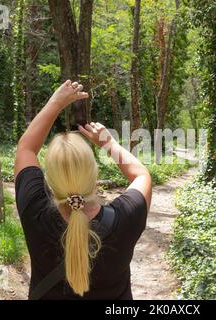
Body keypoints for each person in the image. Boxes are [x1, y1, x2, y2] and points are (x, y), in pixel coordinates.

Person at [14, 79, 152, 299]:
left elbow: (26, 148)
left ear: (51, 178)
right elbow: (141, 174)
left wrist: (56, 103)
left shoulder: (34, 211)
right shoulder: (126, 217)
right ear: (93, 174)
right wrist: (108, 143)